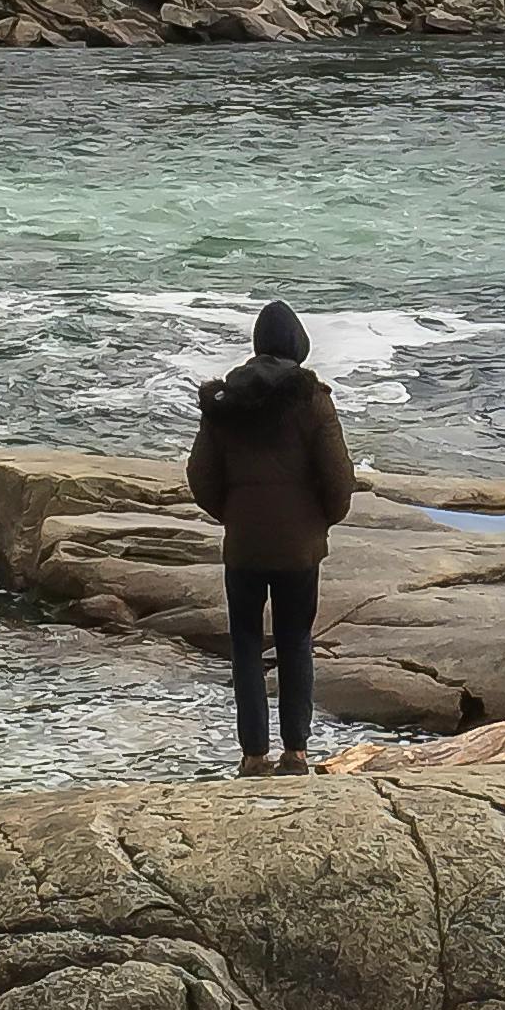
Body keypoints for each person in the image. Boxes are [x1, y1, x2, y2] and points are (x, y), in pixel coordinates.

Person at [183, 299, 356, 774]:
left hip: (243, 547)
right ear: (298, 345)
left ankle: (253, 755)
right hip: (300, 550)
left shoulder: (225, 402)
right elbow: (339, 478)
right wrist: (321, 521)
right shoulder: (313, 399)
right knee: (295, 640)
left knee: (245, 645)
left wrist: (233, 515)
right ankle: (296, 753)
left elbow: (200, 477)